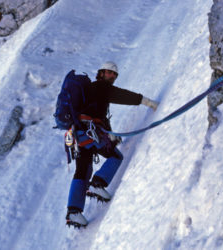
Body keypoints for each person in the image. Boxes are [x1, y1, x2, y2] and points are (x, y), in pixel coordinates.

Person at [65, 61, 159, 227]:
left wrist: (111, 136)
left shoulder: (90, 91)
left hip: (78, 134)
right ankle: (98, 184)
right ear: (101, 73)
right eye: (109, 72)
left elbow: (97, 114)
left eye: (114, 74)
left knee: (83, 169)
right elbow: (123, 96)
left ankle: (74, 212)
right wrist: (148, 102)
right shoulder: (102, 87)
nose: (112, 76)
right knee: (115, 156)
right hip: (89, 131)